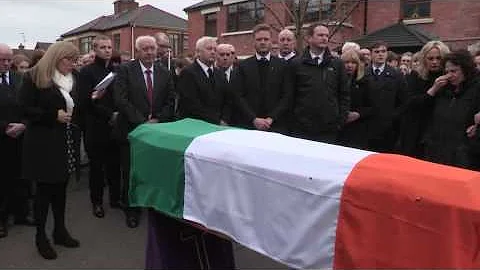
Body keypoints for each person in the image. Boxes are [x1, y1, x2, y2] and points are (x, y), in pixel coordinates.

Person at [18, 41, 81, 260]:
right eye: (69, 60)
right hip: (42, 144)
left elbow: (74, 105)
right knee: (44, 193)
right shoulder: (34, 76)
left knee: (61, 190)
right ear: (56, 57)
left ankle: (59, 231)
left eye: (75, 61)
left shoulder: (71, 78)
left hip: (64, 142)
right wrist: (52, 116)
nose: (73, 65)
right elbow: (24, 108)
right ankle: (40, 236)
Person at [113, 36, 175, 229]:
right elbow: (121, 100)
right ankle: (131, 209)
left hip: (156, 131)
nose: (150, 52)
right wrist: (142, 122)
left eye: (152, 48)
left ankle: (151, 204)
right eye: (145, 49)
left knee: (152, 170)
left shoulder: (165, 72)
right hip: (131, 131)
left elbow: (171, 100)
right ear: (137, 51)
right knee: (130, 171)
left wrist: (157, 120)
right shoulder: (125, 70)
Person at [78, 35, 121, 219]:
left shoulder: (116, 70)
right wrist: (108, 114)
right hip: (96, 126)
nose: (107, 50)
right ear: (94, 49)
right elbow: (85, 101)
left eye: (109, 47)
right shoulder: (87, 72)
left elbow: (120, 96)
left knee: (114, 166)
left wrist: (118, 113)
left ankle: (115, 198)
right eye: (103, 47)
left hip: (116, 125)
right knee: (96, 168)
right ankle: (96, 202)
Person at [288, 23, 350, 143]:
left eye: (326, 35)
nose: (324, 38)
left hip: (329, 129)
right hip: (301, 129)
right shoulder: (296, 64)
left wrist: (340, 121)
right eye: (320, 35)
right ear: (309, 38)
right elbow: (290, 95)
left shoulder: (337, 64)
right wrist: (294, 121)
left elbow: (344, 94)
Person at [423, 50, 480, 169]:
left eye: (454, 71)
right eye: (447, 71)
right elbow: (420, 110)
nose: (449, 75)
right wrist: (434, 89)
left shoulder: (476, 88)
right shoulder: (444, 89)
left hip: (465, 154)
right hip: (438, 150)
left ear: (466, 69)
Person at [231, 24, 292, 133]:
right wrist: (253, 119)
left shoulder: (283, 65)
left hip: (276, 126)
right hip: (249, 126)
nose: (262, 42)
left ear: (271, 42)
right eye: (259, 39)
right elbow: (238, 96)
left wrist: (271, 118)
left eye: (266, 39)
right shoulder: (243, 66)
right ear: (254, 42)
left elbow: (287, 96)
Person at [398, 41, 450, 158]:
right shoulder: (416, 76)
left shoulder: (450, 77)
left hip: (441, 130)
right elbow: (410, 103)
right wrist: (433, 89)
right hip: (417, 130)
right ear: (424, 59)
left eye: (438, 58)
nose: (435, 62)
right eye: (430, 58)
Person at [0, 43, 31, 239]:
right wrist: (4, 128)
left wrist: (24, 124)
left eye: (8, 59)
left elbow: (30, 105)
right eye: (1, 60)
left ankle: (21, 214)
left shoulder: (21, 79)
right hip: (2, 137)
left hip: (21, 136)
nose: (5, 63)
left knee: (21, 177)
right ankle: (1, 220)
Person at [178, 37, 231, 125]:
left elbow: (227, 99)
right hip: (197, 125)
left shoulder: (220, 73)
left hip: (220, 126)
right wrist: (216, 121)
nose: (213, 52)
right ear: (198, 52)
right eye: (209, 49)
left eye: (215, 49)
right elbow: (191, 104)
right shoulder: (188, 73)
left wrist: (225, 119)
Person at [365, 41, 407, 152]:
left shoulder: (396, 75)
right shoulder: (363, 73)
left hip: (388, 128)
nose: (380, 54)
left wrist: (393, 117)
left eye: (383, 51)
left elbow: (403, 101)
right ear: (371, 54)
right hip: (367, 125)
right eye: (377, 51)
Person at [337, 50, 372, 149]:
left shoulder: (364, 82)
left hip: (357, 127)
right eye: (347, 62)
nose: (350, 65)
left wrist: (358, 114)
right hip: (338, 126)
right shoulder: (335, 81)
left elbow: (371, 106)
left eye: (353, 63)